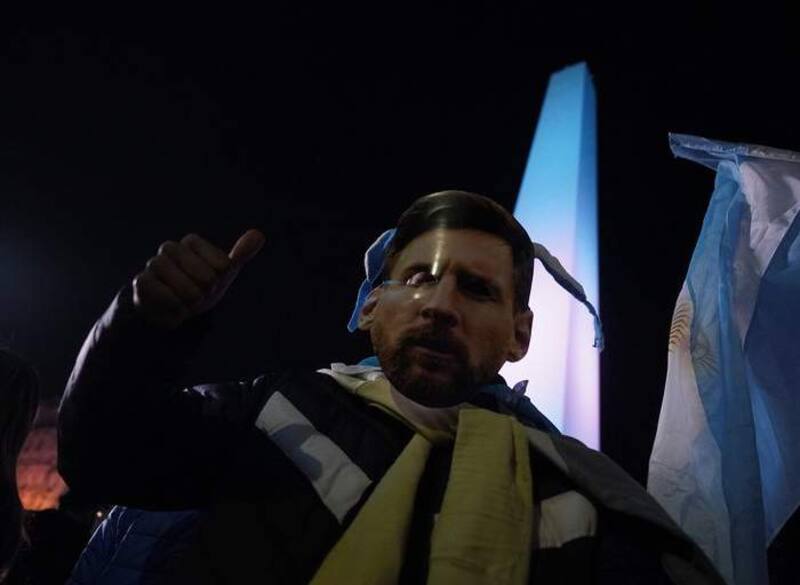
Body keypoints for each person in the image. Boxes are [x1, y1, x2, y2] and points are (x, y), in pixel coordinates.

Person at [58, 190, 723, 584]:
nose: (439, 305)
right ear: (372, 306)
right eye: (418, 279)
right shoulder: (271, 411)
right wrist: (141, 327)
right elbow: (99, 457)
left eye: (477, 288)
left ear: (519, 334)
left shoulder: (582, 500)